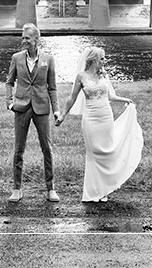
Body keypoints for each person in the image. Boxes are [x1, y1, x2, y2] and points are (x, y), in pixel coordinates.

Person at [56, 46, 143, 203]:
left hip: (106, 117)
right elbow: (72, 98)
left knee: (107, 151)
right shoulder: (81, 77)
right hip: (90, 119)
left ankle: (105, 189)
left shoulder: (104, 75)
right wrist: (63, 115)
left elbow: (111, 95)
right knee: (94, 153)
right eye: (102, 58)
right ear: (93, 60)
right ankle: (93, 191)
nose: (104, 61)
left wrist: (126, 100)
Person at [5, 22, 61, 202]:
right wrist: (9, 102)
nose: (24, 41)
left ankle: (51, 188)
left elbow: (52, 88)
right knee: (18, 149)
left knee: (47, 148)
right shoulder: (16, 58)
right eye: (23, 38)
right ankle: (17, 189)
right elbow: (9, 82)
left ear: (36, 40)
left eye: (27, 38)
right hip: (21, 107)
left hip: (42, 108)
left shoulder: (48, 59)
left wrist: (56, 110)